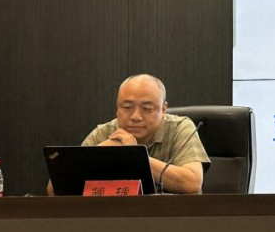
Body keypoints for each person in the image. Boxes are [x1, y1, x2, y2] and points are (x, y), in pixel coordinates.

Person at [47, 74, 209, 195]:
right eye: (127, 107)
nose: (136, 116)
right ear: (117, 109)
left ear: (163, 109)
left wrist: (134, 154)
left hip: (171, 219)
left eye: (147, 109)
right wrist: (100, 152)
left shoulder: (180, 128)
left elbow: (192, 183)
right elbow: (54, 189)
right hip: (112, 219)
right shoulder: (105, 132)